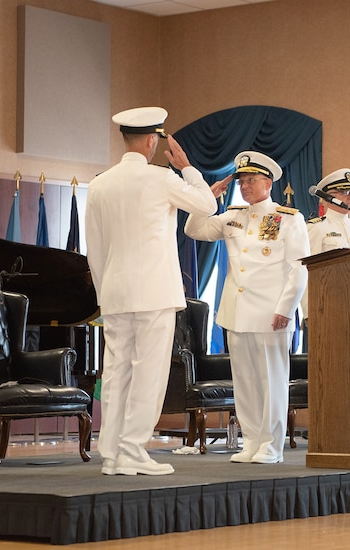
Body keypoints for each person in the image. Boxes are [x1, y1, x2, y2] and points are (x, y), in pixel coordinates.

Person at [85, 106, 225, 476]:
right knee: (148, 372)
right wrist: (188, 168)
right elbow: (207, 204)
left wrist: (105, 292)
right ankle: (132, 450)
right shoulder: (161, 178)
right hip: (153, 293)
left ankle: (111, 452)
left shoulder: (99, 184)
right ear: (152, 141)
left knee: (115, 372)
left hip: (115, 293)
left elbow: (94, 251)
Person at [184, 151, 309, 464]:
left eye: (252, 180)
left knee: (272, 382)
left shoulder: (287, 219)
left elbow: (298, 268)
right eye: (241, 180)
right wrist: (207, 195)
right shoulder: (233, 216)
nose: (245, 186)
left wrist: (286, 307)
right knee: (245, 382)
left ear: (268, 183)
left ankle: (272, 446)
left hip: (271, 315)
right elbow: (194, 230)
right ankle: (251, 442)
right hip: (237, 313)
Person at [301, 168, 350, 318]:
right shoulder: (316, 228)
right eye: (344, 192)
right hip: (328, 305)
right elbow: (306, 272)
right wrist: (309, 312)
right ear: (329, 197)